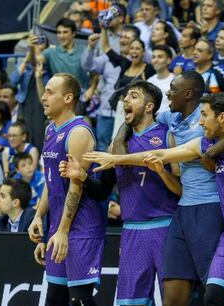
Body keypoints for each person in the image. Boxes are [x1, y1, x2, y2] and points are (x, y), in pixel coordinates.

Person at [84, 92, 224, 306]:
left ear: (221, 117)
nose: (200, 121)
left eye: (204, 115)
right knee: (213, 295)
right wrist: (116, 158)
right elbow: (162, 155)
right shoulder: (204, 144)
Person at [60, 80, 180, 306]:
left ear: (149, 106)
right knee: (129, 302)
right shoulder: (116, 145)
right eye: (125, 97)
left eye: (133, 96)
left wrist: (162, 172)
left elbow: (180, 189)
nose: (125, 99)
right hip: (132, 230)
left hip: (166, 226)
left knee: (174, 300)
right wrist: (82, 177)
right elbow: (103, 191)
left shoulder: (167, 136)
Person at [28, 73, 105, 306]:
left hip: (81, 226)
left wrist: (62, 231)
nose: (43, 97)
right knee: (55, 298)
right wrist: (39, 216)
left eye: (50, 92)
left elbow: (76, 185)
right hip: (58, 225)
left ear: (68, 97)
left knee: (80, 300)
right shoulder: (51, 129)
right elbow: (50, 179)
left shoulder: (78, 132)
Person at [81, 24, 140, 151]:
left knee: (126, 147)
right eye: (122, 37)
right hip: (106, 110)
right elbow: (88, 66)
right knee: (102, 146)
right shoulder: (110, 57)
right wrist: (90, 47)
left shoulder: (139, 60)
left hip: (127, 113)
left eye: (127, 37)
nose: (123, 40)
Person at [147, 45, 174, 113]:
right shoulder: (149, 81)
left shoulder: (175, 80)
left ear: (168, 60)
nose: (156, 60)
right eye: (153, 57)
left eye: (160, 57)